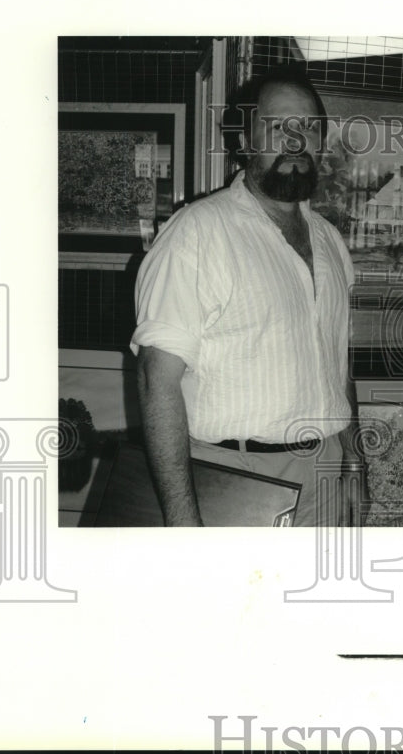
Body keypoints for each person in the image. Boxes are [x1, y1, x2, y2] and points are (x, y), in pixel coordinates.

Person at [130, 66, 366, 527]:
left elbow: (339, 363)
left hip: (327, 471)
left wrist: (354, 461)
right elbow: (155, 383)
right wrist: (184, 526)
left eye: (309, 129)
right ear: (243, 141)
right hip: (235, 478)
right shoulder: (196, 233)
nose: (296, 141)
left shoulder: (330, 240)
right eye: (278, 128)